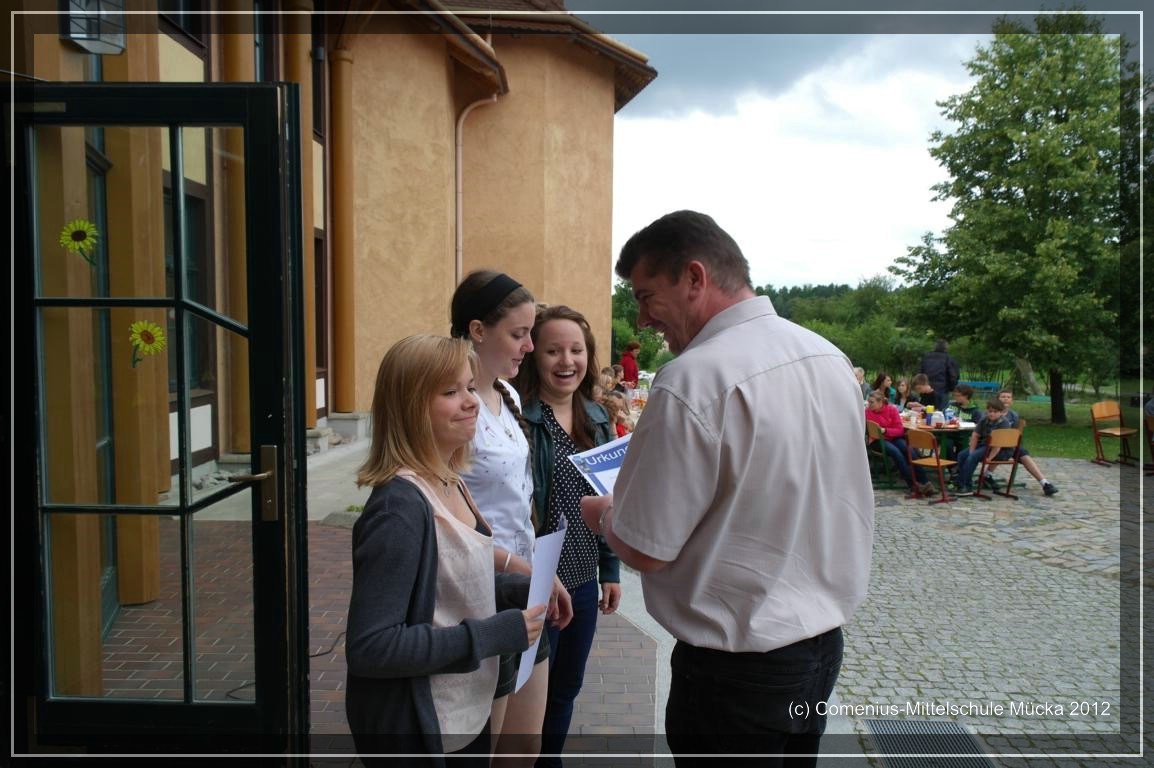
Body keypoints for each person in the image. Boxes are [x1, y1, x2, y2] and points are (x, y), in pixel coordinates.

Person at [581, 210, 873, 765]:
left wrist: (603, 513)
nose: (641, 318)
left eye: (646, 296)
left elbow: (647, 548)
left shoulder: (693, 379)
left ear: (695, 277)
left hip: (734, 674)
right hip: (819, 652)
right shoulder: (828, 357)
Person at [345, 334, 546, 766]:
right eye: (450, 392)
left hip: (462, 712)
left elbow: (446, 584)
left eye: (470, 386)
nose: (472, 402)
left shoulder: (449, 479)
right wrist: (492, 634)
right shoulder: (399, 510)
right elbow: (372, 646)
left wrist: (516, 590)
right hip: (423, 728)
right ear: (411, 407)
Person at [450, 270, 574, 764]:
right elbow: (445, 516)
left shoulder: (508, 395)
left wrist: (538, 567)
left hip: (524, 585)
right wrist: (519, 566)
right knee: (487, 746)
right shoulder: (455, 408)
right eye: (519, 333)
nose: (529, 346)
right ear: (478, 330)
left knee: (525, 744)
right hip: (480, 590)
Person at [511, 304, 622, 767]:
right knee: (526, 698)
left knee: (565, 692)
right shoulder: (520, 419)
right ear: (534, 354)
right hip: (535, 583)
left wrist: (609, 568)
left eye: (576, 350)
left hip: (580, 580)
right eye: (553, 350)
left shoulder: (597, 417)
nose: (566, 361)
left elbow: (609, 496)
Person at [865, 390, 935, 496]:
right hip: (877, 440)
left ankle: (925, 482)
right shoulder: (867, 412)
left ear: (880, 402)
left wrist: (886, 430)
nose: (869, 404)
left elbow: (900, 430)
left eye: (871, 402)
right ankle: (913, 485)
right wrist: (885, 431)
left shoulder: (892, 410)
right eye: (869, 402)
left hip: (892, 437)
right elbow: (875, 432)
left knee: (909, 450)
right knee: (896, 453)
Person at [995, 388, 1059, 496]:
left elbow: (1016, 434)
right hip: (993, 445)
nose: (1006, 399)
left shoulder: (1014, 415)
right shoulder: (991, 413)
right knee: (999, 449)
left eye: (1008, 397)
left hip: (1009, 446)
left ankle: (1045, 483)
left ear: (1012, 400)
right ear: (997, 399)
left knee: (1023, 453)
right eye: (1003, 397)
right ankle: (986, 475)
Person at [918, 339, 960, 412]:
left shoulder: (926, 357)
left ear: (935, 347)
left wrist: (921, 388)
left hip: (926, 390)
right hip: (942, 391)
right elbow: (953, 376)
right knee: (940, 413)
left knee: (924, 412)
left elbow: (919, 374)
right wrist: (951, 388)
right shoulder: (949, 358)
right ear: (946, 348)